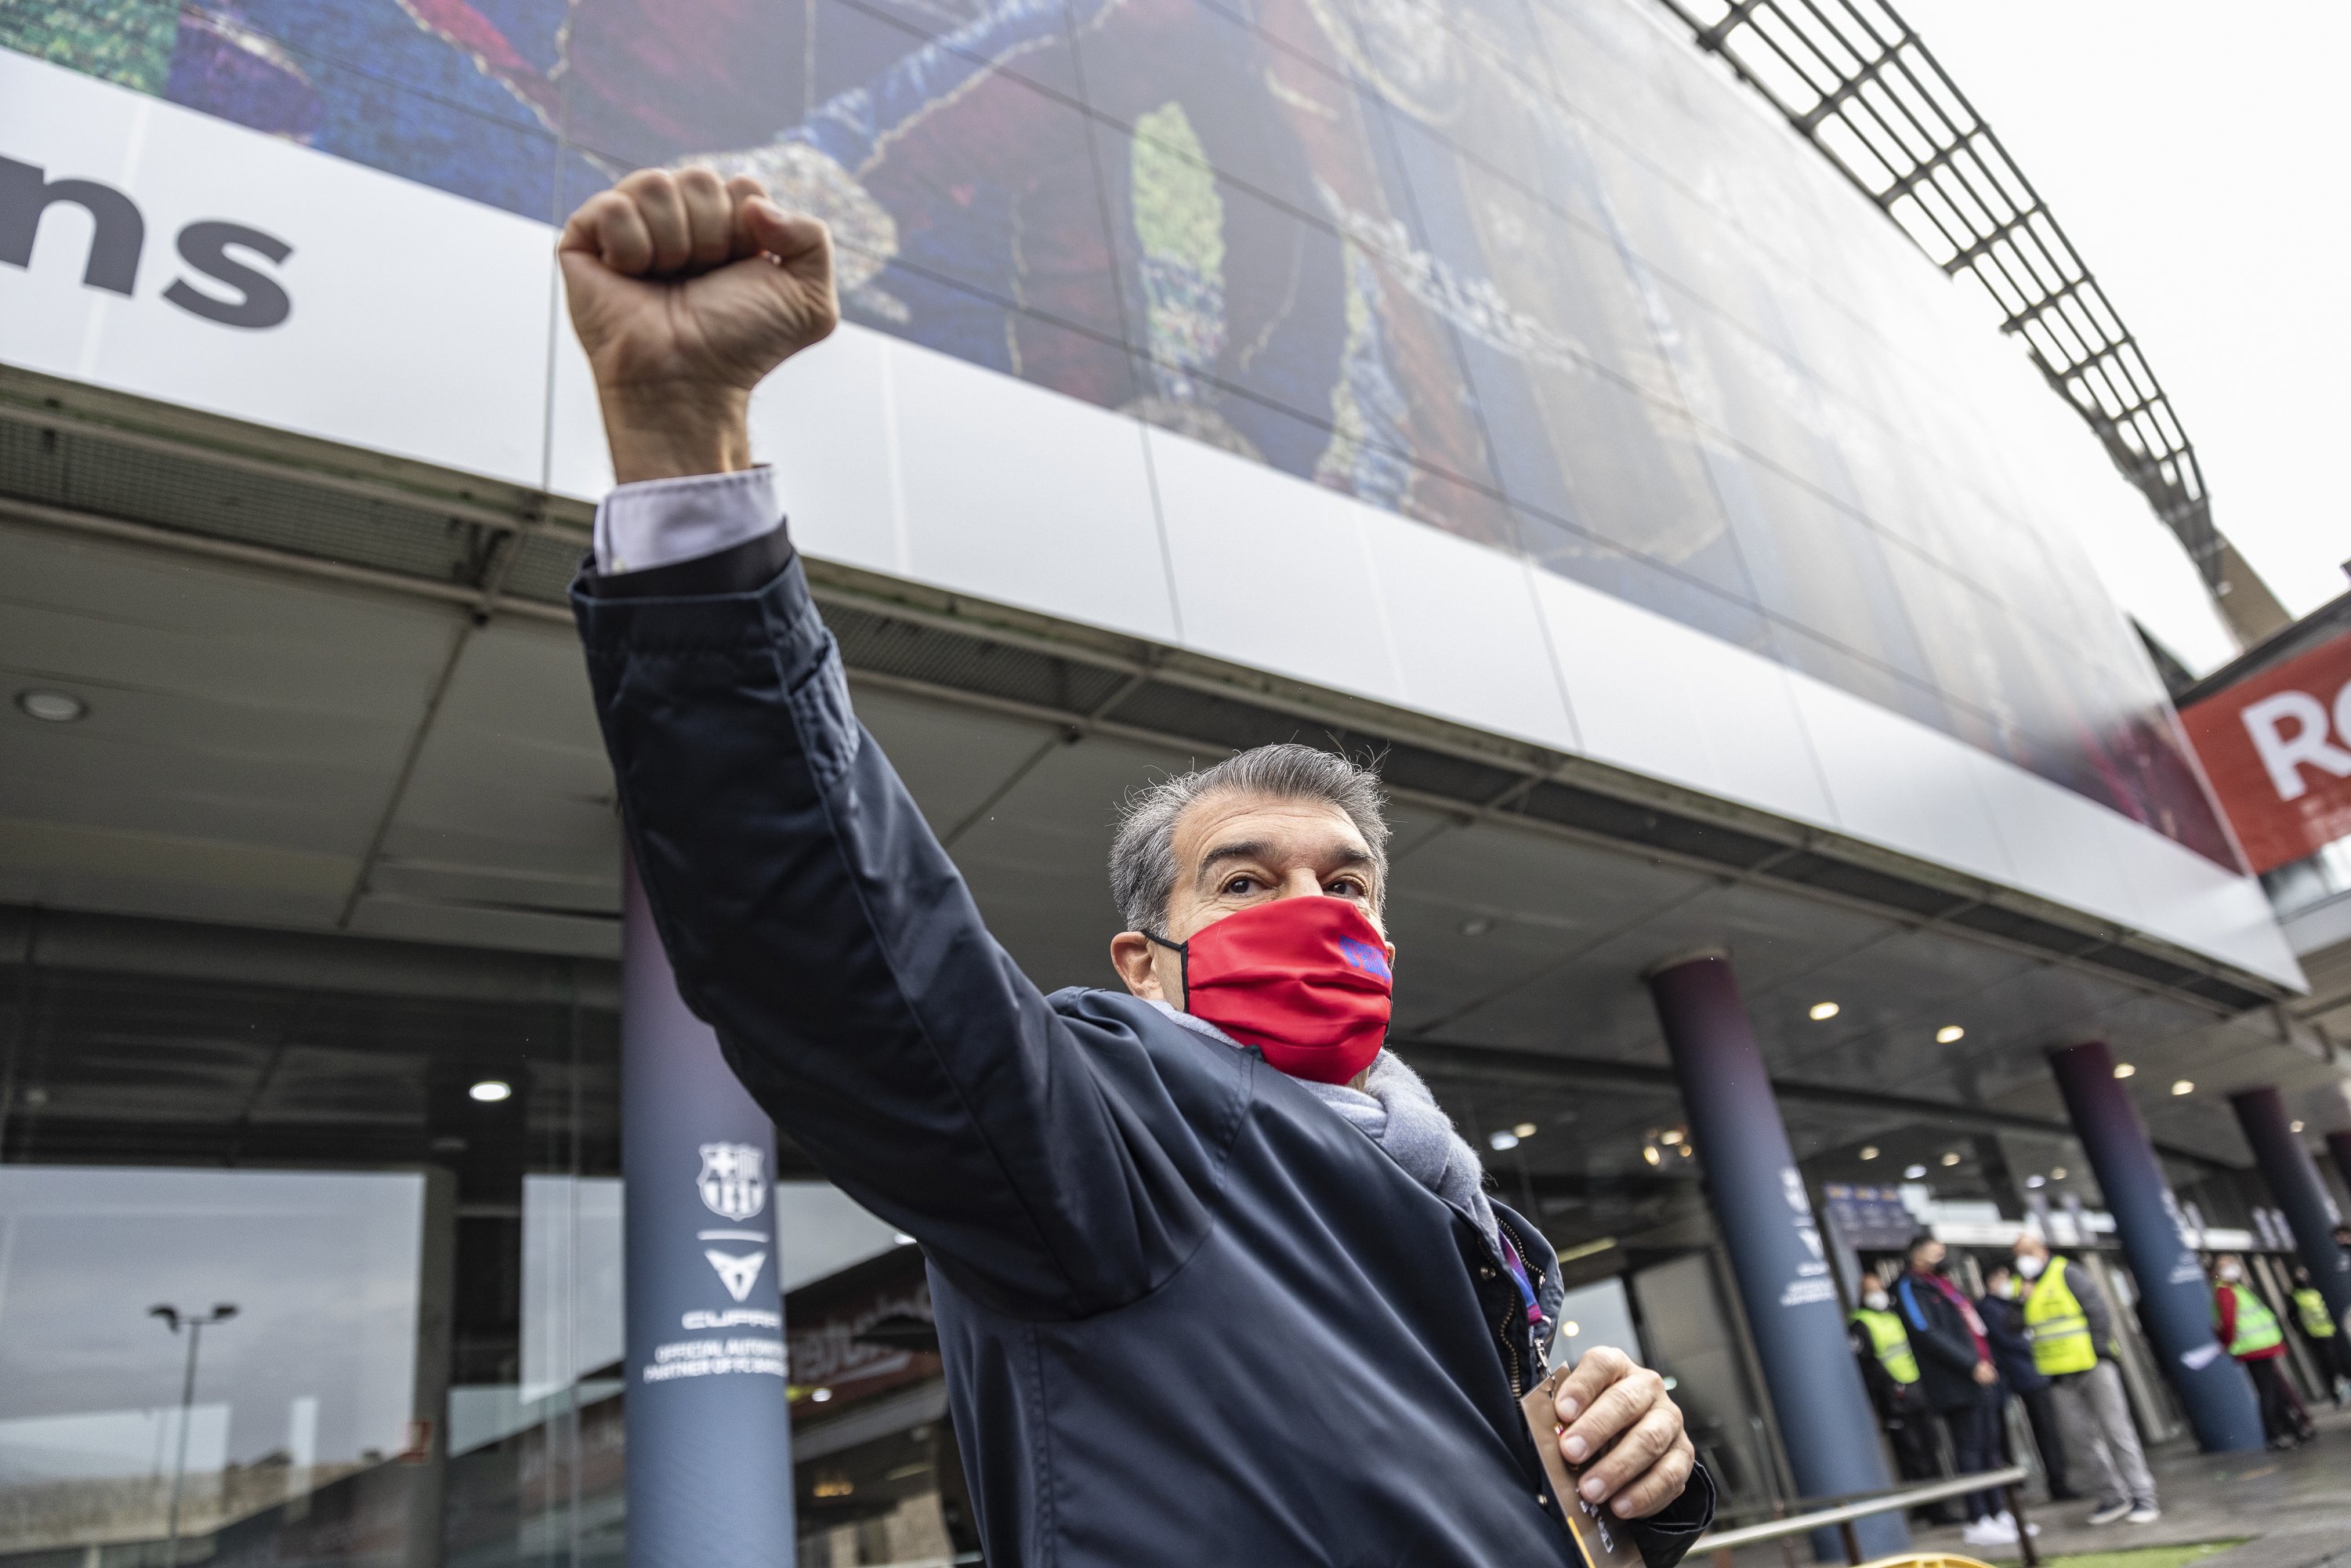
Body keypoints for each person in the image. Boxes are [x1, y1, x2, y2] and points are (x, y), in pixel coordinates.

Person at [553, 167, 1713, 1568]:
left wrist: (1657, 1480)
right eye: (1242, 880)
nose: (1312, 911)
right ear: (1140, 962)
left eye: (1348, 886)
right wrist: (688, 462)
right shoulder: (1115, 1140)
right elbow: (846, 951)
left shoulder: (1452, 1197)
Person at [2013, 1232, 2157, 1526]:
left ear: (2041, 1249)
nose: (2023, 1259)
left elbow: (2098, 1312)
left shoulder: (2066, 1272)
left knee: (2118, 1433)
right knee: (2081, 1441)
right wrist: (2020, 1301)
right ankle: (2112, 1496)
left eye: (2027, 1251)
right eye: (2018, 1254)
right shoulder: (2022, 1286)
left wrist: (2097, 1351)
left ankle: (2143, 1496)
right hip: (2058, 1375)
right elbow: (2013, 1325)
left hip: (2092, 1366)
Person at [1893, 1236, 2018, 1548]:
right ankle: (1978, 1519)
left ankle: (1997, 1510)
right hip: (1956, 1382)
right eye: (1933, 1249)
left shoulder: (1943, 1285)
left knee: (1991, 1447)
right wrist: (1970, 1364)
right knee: (1970, 1449)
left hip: (1982, 1376)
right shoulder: (1910, 1287)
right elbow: (1925, 1331)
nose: (1940, 1253)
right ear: (1916, 1254)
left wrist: (1985, 1363)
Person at [1849, 1278, 1956, 1525]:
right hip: (1894, 1399)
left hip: (1915, 1389)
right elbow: (1867, 1367)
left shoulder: (1893, 1316)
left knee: (1929, 1449)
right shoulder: (1861, 1324)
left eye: (1879, 1289)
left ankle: (1936, 1506)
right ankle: (1929, 1509)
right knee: (1912, 1455)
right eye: (1870, 1291)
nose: (1877, 1294)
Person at [1979, 1262, 2076, 1502]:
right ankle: (2013, 1487)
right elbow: (2012, 1338)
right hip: (2014, 1376)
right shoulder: (1988, 1307)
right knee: (2006, 1435)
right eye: (2003, 1278)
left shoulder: (2011, 1304)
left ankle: (2058, 1481)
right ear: (1992, 1281)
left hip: (2031, 1374)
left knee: (2047, 1429)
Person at [2212, 1255, 2314, 1448]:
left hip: (2261, 1347)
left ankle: (2294, 1430)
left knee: (2274, 1390)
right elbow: (2227, 1322)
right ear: (2217, 1271)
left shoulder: (2236, 1289)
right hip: (2253, 1348)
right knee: (2268, 1393)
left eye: (2233, 1264)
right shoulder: (2225, 1291)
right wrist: (2226, 1344)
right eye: (2226, 1266)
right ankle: (2273, 1436)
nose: (2232, 1268)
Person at [2288, 1262, 2350, 1404]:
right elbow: (2292, 1316)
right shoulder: (2295, 1296)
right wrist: (2300, 1331)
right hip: (2315, 1335)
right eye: (2299, 1274)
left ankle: (2344, 1386)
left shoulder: (2316, 1290)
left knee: (2339, 1361)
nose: (2302, 1277)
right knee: (2328, 1365)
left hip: (2329, 1331)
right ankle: (2337, 1393)